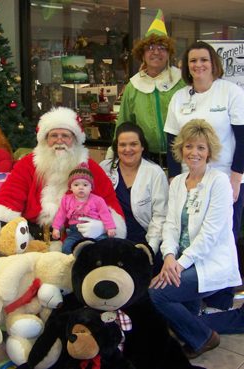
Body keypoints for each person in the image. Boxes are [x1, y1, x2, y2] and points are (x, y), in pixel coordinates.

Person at [149, 119, 242, 359]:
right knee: (177, 310)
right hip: (180, 260)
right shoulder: (178, 182)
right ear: (181, 149)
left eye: (201, 147)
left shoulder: (219, 182)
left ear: (210, 152)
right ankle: (194, 328)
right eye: (189, 146)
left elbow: (211, 233)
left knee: (157, 294)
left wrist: (179, 264)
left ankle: (204, 338)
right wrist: (169, 256)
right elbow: (170, 225)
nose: (194, 153)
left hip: (207, 261)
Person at [164, 40, 244, 311]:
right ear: (186, 67)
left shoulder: (230, 92)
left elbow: (242, 137)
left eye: (204, 60)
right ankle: (192, 296)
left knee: (221, 238)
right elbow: (171, 138)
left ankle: (220, 302)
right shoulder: (179, 98)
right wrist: (175, 178)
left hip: (225, 176)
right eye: (193, 61)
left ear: (214, 63)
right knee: (189, 233)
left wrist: (236, 177)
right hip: (190, 176)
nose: (198, 65)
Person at [0, 106, 126, 247]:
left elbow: (110, 203)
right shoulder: (28, 164)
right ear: (45, 139)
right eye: (54, 135)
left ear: (75, 139)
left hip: (76, 244)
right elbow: (11, 194)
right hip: (31, 242)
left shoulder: (91, 168)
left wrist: (103, 226)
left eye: (65, 135)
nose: (59, 140)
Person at [114, 9, 185, 166]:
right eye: (150, 47)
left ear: (169, 53)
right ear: (142, 53)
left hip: (182, 157)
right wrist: (114, 155)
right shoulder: (133, 86)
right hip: (144, 160)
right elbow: (124, 123)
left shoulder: (181, 81)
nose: (156, 52)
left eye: (162, 47)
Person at [100, 122, 168, 261]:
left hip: (142, 242)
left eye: (133, 144)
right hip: (110, 238)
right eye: (122, 145)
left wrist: (150, 248)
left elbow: (160, 216)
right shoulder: (105, 168)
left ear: (142, 146)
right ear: (116, 147)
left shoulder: (155, 173)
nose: (128, 149)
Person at [52, 164, 116, 254]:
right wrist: (56, 228)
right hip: (75, 232)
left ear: (91, 187)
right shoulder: (66, 199)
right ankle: (73, 262)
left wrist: (110, 227)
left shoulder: (98, 200)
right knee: (66, 247)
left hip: (95, 231)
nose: (81, 188)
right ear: (70, 187)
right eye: (76, 184)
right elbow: (61, 214)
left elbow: (105, 214)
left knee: (104, 245)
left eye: (85, 185)